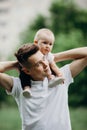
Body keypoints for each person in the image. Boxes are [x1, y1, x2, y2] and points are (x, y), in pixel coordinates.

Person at [0, 43, 87, 130]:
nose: (45, 64)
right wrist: (16, 64)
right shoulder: (19, 86)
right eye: (38, 64)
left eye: (44, 58)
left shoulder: (60, 77)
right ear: (26, 71)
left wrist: (53, 58)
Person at [20, 28, 64, 98]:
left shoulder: (48, 55)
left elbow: (54, 66)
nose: (48, 46)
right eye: (45, 43)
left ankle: (51, 79)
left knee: (51, 68)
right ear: (36, 43)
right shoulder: (32, 53)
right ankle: (27, 88)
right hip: (30, 73)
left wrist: (59, 74)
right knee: (23, 74)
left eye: (50, 44)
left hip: (45, 74)